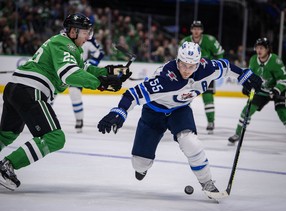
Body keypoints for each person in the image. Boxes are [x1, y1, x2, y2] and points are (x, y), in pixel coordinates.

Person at [97, 41, 262, 196]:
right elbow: (132, 94)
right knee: (139, 164)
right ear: (177, 61)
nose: (186, 70)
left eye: (191, 66)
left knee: (191, 143)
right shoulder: (166, 79)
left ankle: (207, 183)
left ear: (198, 64)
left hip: (179, 111)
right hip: (153, 113)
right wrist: (119, 112)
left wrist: (244, 75)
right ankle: (143, 164)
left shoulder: (207, 68)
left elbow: (225, 66)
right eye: (183, 65)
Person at [0, 13, 131, 190]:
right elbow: (70, 74)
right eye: (85, 32)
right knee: (54, 138)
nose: (88, 37)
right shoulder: (63, 44)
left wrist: (111, 72)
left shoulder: (69, 47)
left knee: (7, 134)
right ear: (73, 31)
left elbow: (85, 68)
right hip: (30, 91)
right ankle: (7, 166)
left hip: (16, 89)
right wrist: (102, 84)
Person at [228, 37, 286, 146]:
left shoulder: (275, 61)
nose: (258, 50)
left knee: (283, 113)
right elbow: (250, 76)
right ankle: (238, 133)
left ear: (267, 49)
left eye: (261, 48)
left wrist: (276, 90)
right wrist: (246, 86)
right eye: (257, 48)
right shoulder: (253, 60)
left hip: (278, 90)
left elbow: (284, 79)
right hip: (261, 91)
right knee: (247, 110)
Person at [180, 21, 224, 134]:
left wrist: (215, 68)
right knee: (185, 97)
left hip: (206, 73)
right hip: (190, 73)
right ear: (191, 30)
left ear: (202, 30)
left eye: (198, 29)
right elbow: (179, 58)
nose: (196, 31)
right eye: (194, 28)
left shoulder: (210, 41)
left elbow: (220, 54)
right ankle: (181, 121)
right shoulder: (185, 42)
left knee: (208, 97)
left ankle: (210, 121)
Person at [69, 36, 105, 132]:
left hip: (76, 70)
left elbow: (99, 53)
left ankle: (79, 119)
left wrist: (89, 64)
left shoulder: (89, 38)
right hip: (60, 66)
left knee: (74, 93)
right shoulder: (63, 36)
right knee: (51, 91)